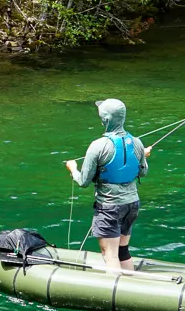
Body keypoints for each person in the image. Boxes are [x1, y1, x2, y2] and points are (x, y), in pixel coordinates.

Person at [64, 98, 150, 272]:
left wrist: (73, 168)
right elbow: (143, 172)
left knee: (110, 255)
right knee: (122, 251)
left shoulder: (97, 146)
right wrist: (141, 156)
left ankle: (121, 294)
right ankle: (130, 285)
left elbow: (83, 181)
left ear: (105, 119)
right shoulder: (137, 143)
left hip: (110, 207)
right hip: (132, 204)